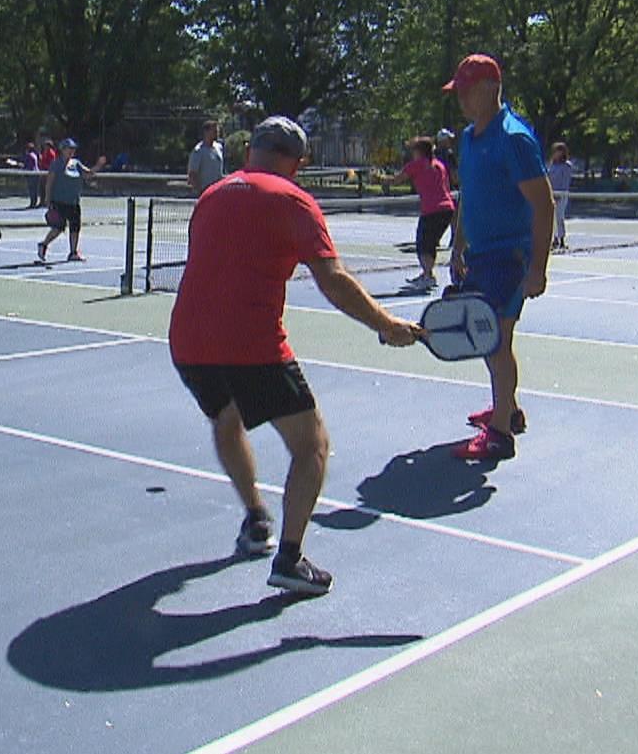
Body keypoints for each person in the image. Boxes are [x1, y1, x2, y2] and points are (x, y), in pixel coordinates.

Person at [169, 116, 422, 596]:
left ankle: (255, 521)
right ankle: (289, 558)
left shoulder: (211, 195)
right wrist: (387, 325)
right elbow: (333, 280)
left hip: (187, 343)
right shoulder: (294, 200)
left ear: (250, 153)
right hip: (252, 347)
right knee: (311, 446)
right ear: (299, 164)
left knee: (227, 419)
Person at [445, 54, 554, 460]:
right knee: (492, 339)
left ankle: (500, 435)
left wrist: (538, 268)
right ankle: (507, 408)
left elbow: (544, 206)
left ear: (489, 89)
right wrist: (458, 245)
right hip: (481, 255)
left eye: (466, 91)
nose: (461, 99)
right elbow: (468, 197)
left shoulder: (513, 138)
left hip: (510, 256)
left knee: (496, 340)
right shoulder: (470, 139)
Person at [387, 136, 454, 292]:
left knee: (423, 244)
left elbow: (396, 180)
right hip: (447, 209)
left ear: (420, 151)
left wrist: (379, 179)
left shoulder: (416, 165)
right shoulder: (439, 165)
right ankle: (427, 273)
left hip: (432, 210)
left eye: (414, 149)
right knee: (430, 243)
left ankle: (429, 276)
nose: (412, 153)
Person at [37, 138, 105, 263]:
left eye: (73, 149)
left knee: (75, 228)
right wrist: (47, 199)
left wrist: (98, 165)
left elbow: (88, 174)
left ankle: (73, 252)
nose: (72, 151)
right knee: (58, 228)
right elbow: (49, 182)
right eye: (69, 148)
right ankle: (43, 244)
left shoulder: (76, 163)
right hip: (59, 202)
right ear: (62, 150)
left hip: (74, 202)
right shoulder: (56, 164)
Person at [187, 120, 226, 195]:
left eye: (217, 131)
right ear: (206, 132)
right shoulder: (198, 151)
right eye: (214, 131)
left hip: (217, 192)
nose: (217, 133)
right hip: (204, 192)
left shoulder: (219, 147)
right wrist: (201, 192)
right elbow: (192, 174)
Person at [548, 141, 574, 250]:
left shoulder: (566, 166)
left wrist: (559, 194)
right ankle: (554, 239)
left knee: (559, 217)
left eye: (558, 151)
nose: (556, 154)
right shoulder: (552, 165)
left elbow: (565, 181)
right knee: (552, 217)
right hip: (552, 193)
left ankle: (562, 239)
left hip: (562, 194)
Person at [23, 140, 42, 207]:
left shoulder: (29, 156)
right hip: (36, 173)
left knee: (32, 189)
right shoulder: (34, 155)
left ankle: (32, 203)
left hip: (32, 174)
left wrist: (22, 167)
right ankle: (34, 202)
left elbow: (29, 166)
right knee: (35, 189)